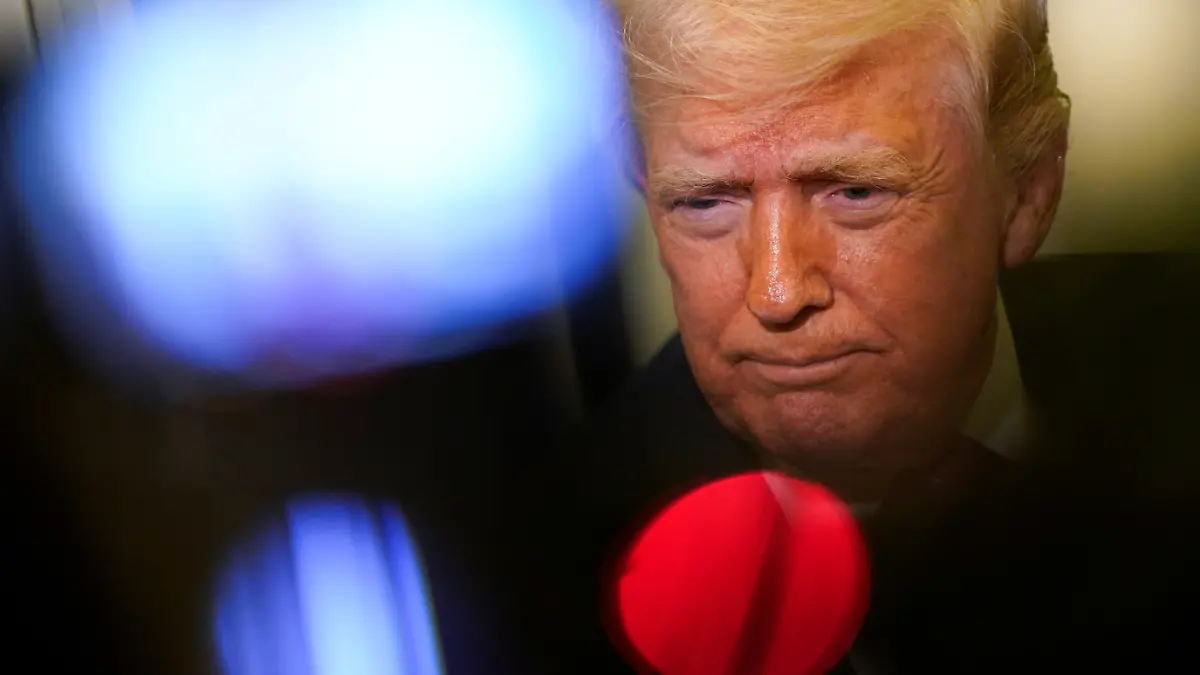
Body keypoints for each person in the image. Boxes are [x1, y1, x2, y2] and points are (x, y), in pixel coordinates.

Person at [507, 1, 1200, 673]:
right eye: (706, 201)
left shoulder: (1172, 374)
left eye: (856, 192)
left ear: (1028, 191)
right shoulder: (540, 583)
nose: (777, 292)